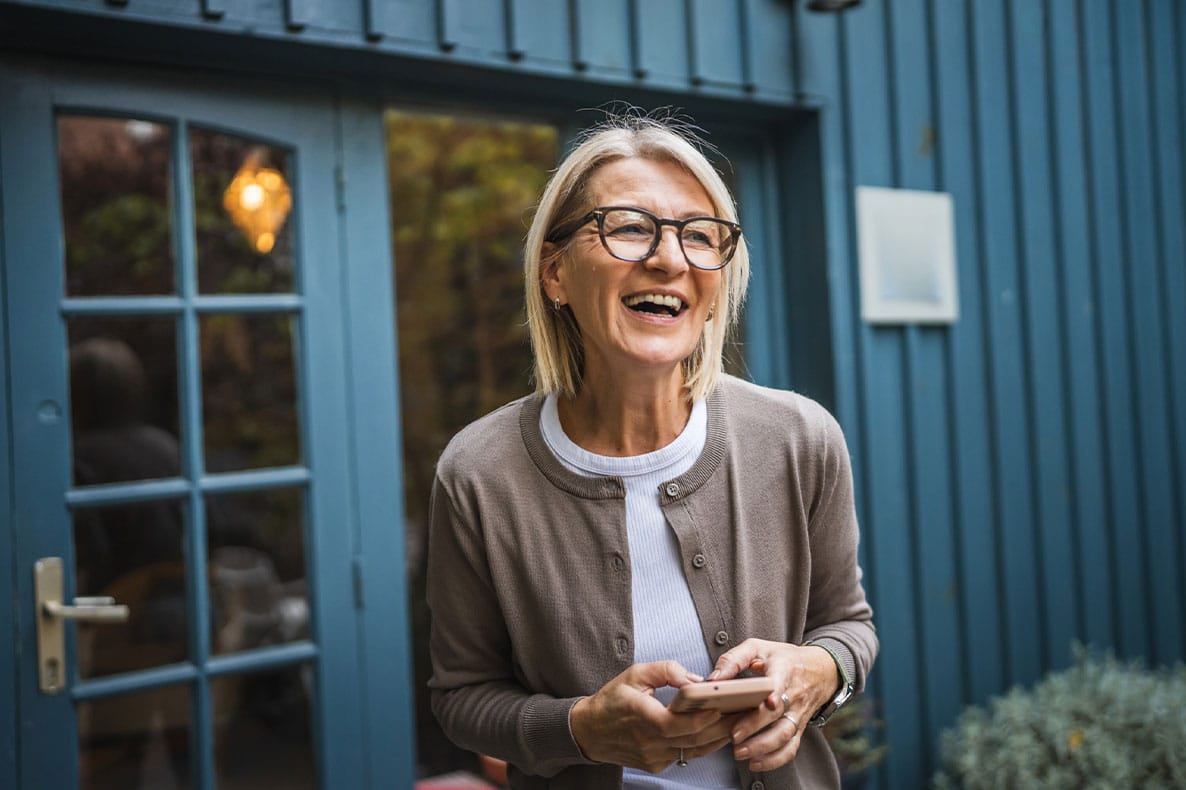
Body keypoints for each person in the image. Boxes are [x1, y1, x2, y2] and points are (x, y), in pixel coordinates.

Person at [426, 113, 877, 789]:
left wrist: (823, 672)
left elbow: (847, 626)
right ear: (555, 273)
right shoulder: (479, 475)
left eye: (700, 236)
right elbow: (462, 699)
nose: (670, 258)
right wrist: (580, 728)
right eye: (631, 226)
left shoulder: (799, 439)